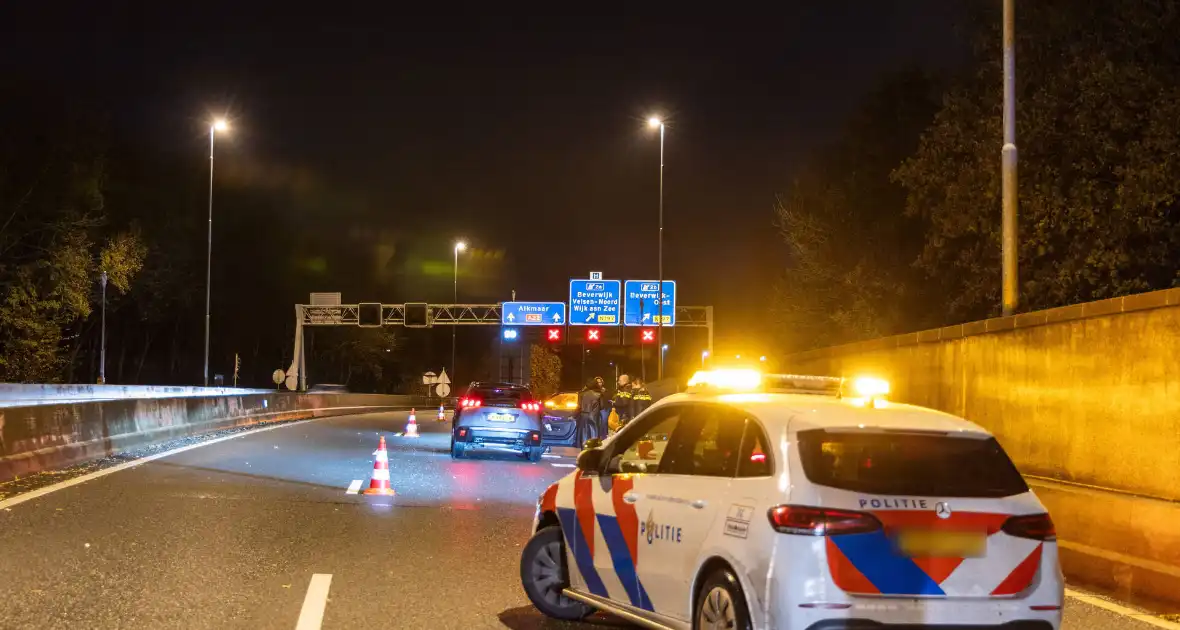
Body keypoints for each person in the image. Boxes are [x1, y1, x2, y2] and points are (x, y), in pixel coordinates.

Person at [577, 377, 604, 446]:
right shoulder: (599, 394)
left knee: (584, 432)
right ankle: (594, 447)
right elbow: (602, 406)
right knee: (594, 431)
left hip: (583, 414)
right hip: (594, 415)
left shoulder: (581, 394)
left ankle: (584, 447)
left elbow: (579, 407)